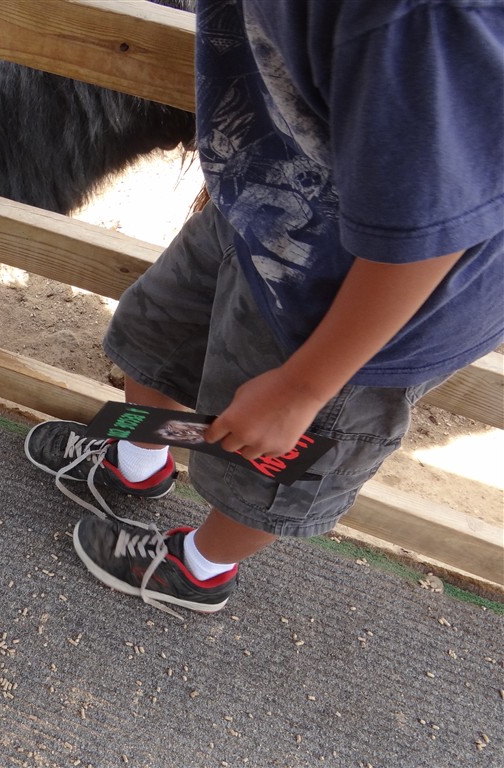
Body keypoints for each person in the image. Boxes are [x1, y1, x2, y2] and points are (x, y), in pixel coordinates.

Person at [25, 0, 503, 616]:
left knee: (274, 467)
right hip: (262, 198)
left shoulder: (421, 22)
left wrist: (303, 387)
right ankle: (138, 462)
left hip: (364, 305)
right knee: (153, 336)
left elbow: (426, 231)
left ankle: (200, 569)